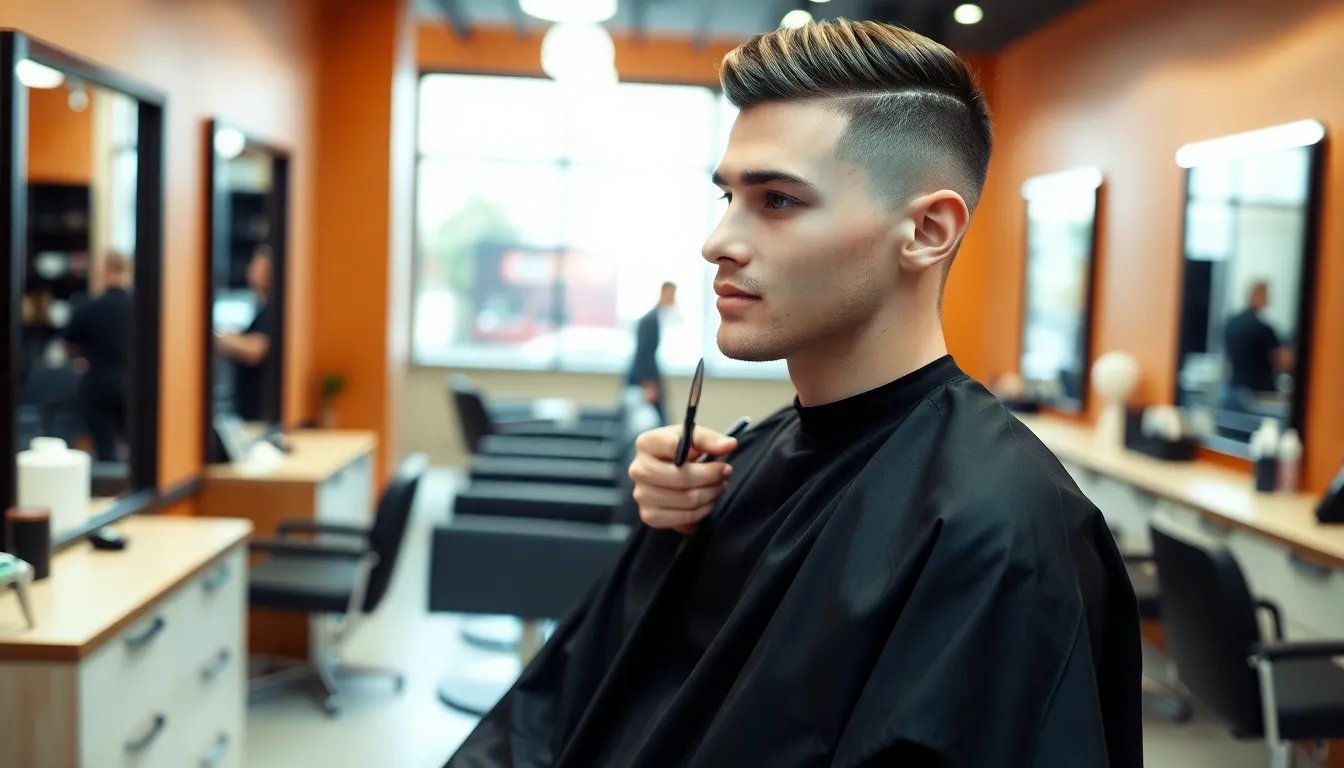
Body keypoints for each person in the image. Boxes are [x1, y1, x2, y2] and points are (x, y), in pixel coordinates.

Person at [448, 20, 1141, 768]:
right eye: (727, 196)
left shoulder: (1000, 531)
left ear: (927, 231)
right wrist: (668, 543)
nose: (718, 241)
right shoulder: (739, 465)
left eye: (776, 200)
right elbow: (585, 708)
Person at [64, 252, 132, 461]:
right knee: (138, 446)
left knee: (104, 447)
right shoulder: (143, 309)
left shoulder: (88, 308)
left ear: (104, 272)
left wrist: (83, 357)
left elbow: (68, 347)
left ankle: (109, 488)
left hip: (99, 383)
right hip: (135, 384)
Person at [215, 246, 274, 421]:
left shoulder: (275, 310)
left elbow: (256, 349)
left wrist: (217, 338)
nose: (250, 269)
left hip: (260, 412)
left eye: (256, 265)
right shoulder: (260, 306)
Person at [1221, 280, 1293, 413]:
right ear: (1258, 296)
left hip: (1232, 390)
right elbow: (1283, 362)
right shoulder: (1262, 329)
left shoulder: (1231, 324)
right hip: (1258, 396)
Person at [625, 281, 676, 422]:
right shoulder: (650, 320)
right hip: (644, 380)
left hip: (648, 377)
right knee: (657, 420)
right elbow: (644, 353)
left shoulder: (655, 318)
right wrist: (648, 384)